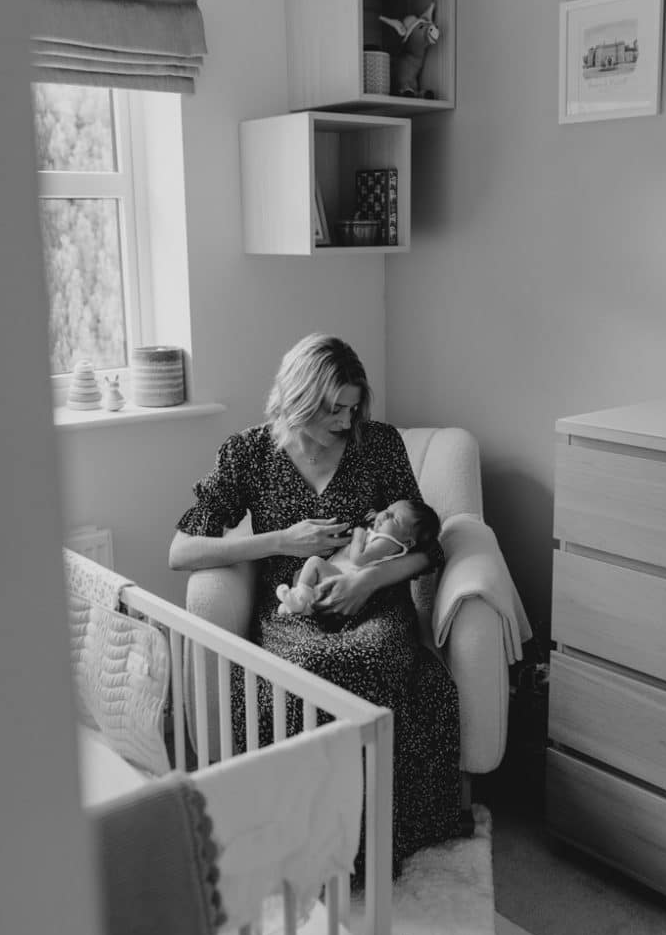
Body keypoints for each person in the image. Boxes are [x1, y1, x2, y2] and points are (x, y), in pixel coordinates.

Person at [169, 332, 461, 876]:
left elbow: (428, 549)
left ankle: (364, 845)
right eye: (335, 410)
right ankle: (306, 837)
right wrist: (282, 541)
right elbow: (181, 550)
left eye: (353, 409)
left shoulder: (379, 445)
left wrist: (368, 584)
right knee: (303, 672)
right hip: (292, 610)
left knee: (369, 657)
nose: (347, 423)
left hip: (371, 603)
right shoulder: (248, 453)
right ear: (300, 398)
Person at [275, 498, 440, 617]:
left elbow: (359, 559)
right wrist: (379, 518)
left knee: (314, 562)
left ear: (408, 542)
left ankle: (299, 599)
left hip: (341, 581)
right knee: (304, 574)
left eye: (394, 519)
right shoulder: (388, 538)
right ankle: (300, 606)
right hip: (336, 579)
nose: (385, 515)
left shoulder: (389, 542)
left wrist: (359, 534)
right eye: (388, 509)